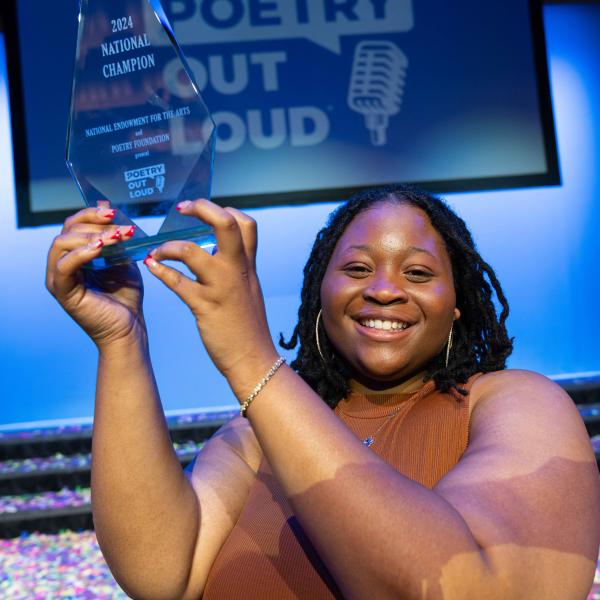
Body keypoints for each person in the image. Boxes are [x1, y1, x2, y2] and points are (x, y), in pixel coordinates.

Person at [46, 185, 599, 599]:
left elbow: (457, 586)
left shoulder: (515, 403)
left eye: (417, 273)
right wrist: (120, 338)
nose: (383, 290)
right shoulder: (257, 436)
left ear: (457, 304)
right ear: (318, 293)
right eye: (357, 268)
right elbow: (160, 571)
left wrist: (250, 357)